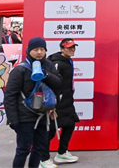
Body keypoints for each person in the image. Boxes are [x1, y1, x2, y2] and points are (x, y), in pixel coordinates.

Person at [5, 37, 62, 168]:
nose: (39, 52)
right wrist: (13, 119)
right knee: (23, 150)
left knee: (39, 149)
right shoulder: (20, 70)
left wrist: (45, 75)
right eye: (35, 49)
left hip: (43, 116)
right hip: (25, 116)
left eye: (42, 49)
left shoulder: (49, 65)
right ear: (29, 50)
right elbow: (10, 96)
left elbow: (59, 84)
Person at [40, 39, 80, 167]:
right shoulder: (56, 63)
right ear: (62, 49)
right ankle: (43, 159)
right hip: (57, 103)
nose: (72, 49)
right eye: (69, 48)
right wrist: (53, 104)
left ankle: (62, 152)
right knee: (50, 131)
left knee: (70, 124)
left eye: (73, 47)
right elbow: (52, 83)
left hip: (67, 101)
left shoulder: (68, 60)